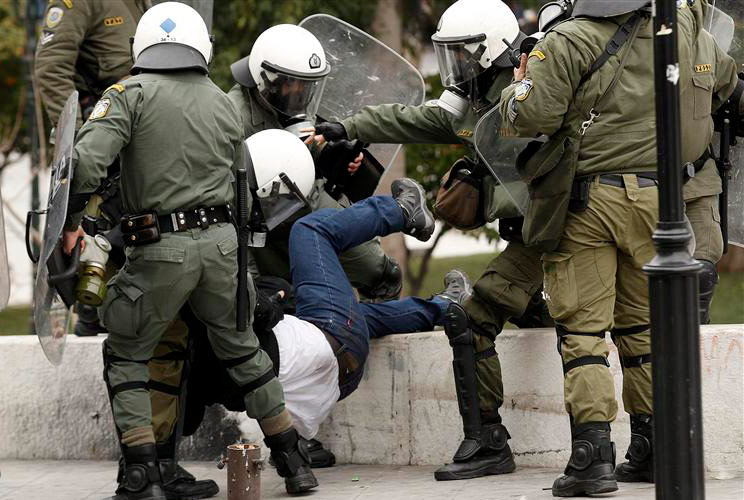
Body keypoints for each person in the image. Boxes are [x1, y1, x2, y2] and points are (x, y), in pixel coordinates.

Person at [61, 4, 317, 498]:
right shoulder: (223, 101)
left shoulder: (127, 94)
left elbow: (86, 166)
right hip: (224, 247)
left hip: (160, 249)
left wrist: (71, 222)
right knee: (244, 351)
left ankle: (141, 474)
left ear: (142, 47)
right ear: (201, 47)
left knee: (127, 350)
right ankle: (293, 461)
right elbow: (243, 183)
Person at [497, 0, 739, 495]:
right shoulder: (685, 28)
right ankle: (650, 445)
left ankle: (592, 456)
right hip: (660, 199)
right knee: (640, 328)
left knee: (583, 329)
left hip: (591, 202)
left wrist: (518, 81)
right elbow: (725, 80)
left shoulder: (570, 39)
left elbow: (528, 116)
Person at [312, 0, 553, 481]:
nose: (454, 66)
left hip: (556, 235)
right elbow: (410, 118)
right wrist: (348, 128)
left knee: (472, 315)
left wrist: (485, 193)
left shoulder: (534, 96)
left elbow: (554, 180)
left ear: (492, 51)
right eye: (450, 54)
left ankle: (489, 441)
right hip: (530, 241)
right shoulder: (475, 100)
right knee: (543, 318)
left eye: (462, 54)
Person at [35, 2, 218, 498]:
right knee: (134, 326)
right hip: (107, 174)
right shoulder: (82, 3)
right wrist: (78, 167)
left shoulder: (155, 6)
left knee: (172, 326)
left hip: (154, 172)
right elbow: (52, 76)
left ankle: (161, 461)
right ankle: (137, 469)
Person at [185, 129, 472, 443]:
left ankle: (447, 306)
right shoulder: (215, 299)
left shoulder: (190, 338)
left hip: (332, 385)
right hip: (333, 348)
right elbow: (259, 305)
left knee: (357, 316)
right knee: (308, 230)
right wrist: (271, 294)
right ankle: (402, 210)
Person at [227, 23, 403, 302]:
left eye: (306, 86)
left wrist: (334, 155)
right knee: (287, 297)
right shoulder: (233, 118)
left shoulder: (292, 101)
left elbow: (306, 144)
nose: (300, 93)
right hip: (266, 224)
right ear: (266, 78)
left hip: (310, 199)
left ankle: (379, 314)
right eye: (291, 84)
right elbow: (232, 201)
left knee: (379, 271)